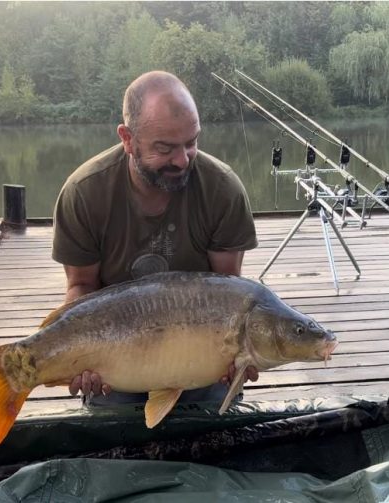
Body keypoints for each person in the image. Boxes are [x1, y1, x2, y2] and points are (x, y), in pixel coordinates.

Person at [52, 70, 259, 406]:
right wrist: (80, 360)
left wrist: (239, 354)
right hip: (115, 362)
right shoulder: (84, 193)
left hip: (201, 363)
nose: (182, 160)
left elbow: (228, 293)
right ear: (127, 138)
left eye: (191, 143)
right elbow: (82, 287)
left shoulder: (223, 189)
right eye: (164, 148)